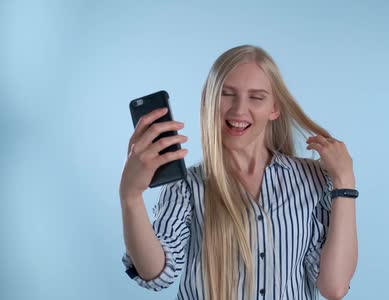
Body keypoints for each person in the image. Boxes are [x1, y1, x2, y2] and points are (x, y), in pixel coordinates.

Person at [119, 45, 358, 300]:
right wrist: (130, 196)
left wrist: (345, 181)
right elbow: (156, 274)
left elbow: (334, 287)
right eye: (227, 94)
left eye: (256, 97)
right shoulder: (187, 186)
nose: (239, 110)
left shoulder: (312, 180)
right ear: (209, 101)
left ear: (274, 108)